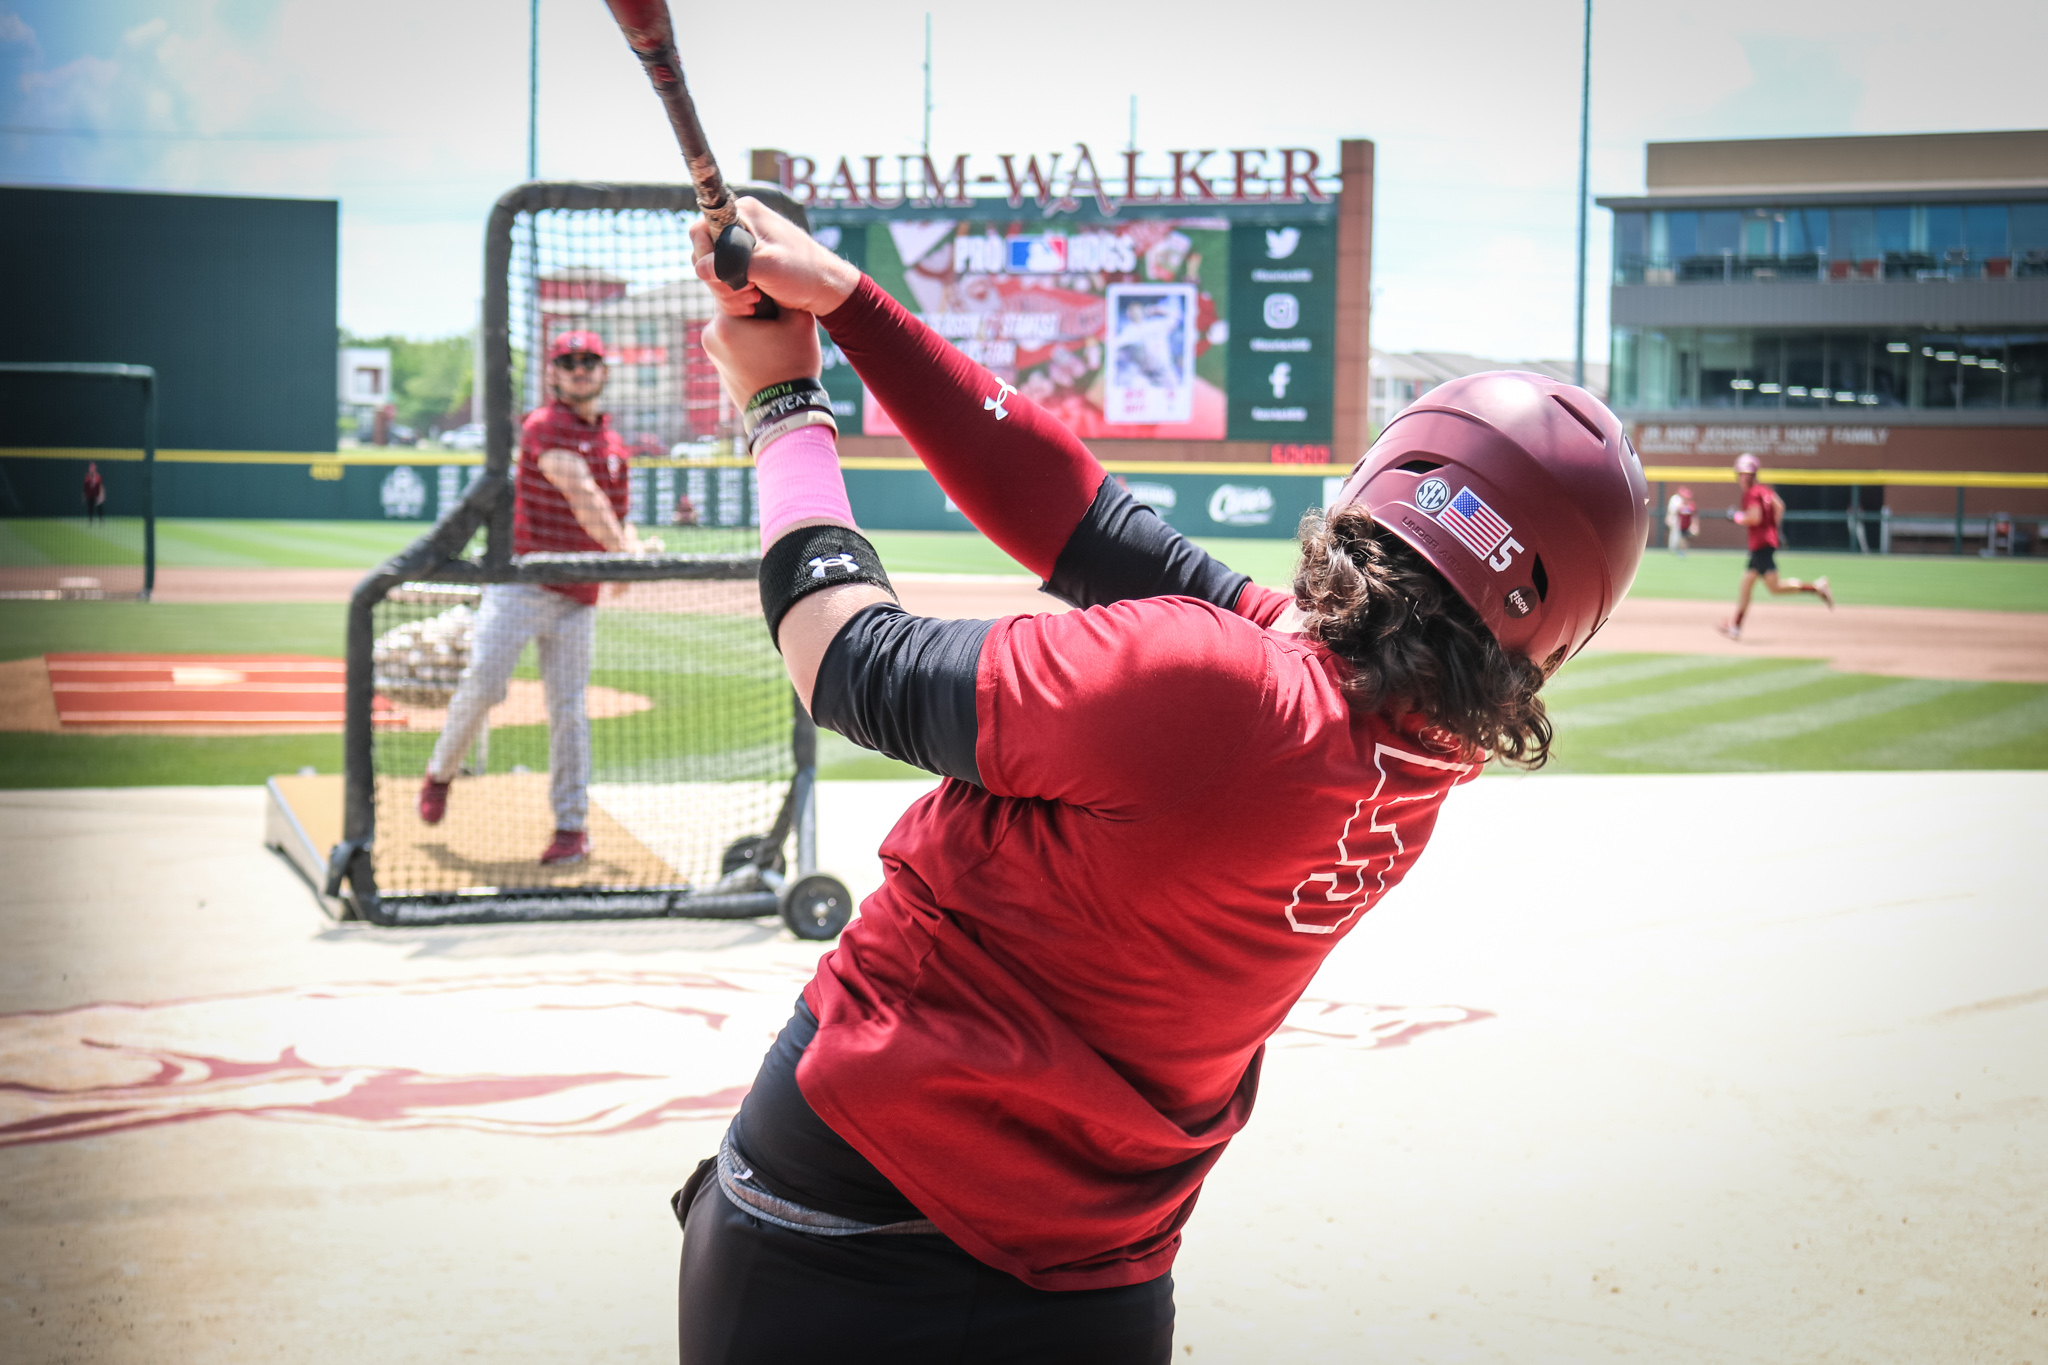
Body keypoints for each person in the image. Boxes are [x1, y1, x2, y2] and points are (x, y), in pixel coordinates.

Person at [669, 199, 1651, 1364]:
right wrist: (853, 303)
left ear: (1383, 479)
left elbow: (849, 663)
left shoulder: (1219, 688)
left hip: (845, 1220)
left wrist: (783, 401)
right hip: (1097, 1270)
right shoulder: (1422, 745)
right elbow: (1090, 523)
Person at [416, 329, 644, 865]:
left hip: (577, 597)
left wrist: (623, 555)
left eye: (590, 360)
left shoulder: (614, 443)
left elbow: (616, 512)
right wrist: (626, 553)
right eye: (570, 362)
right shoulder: (544, 426)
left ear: (603, 371)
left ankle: (571, 827)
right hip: (521, 586)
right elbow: (582, 495)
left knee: (569, 712)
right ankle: (440, 772)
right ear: (554, 374)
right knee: (483, 688)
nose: (581, 369)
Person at [1718, 453, 1833, 641]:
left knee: (1773, 588)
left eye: (1744, 473)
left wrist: (1737, 517)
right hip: (1765, 542)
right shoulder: (1764, 491)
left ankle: (1817, 588)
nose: (1741, 477)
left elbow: (1755, 517)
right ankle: (1736, 626)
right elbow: (1780, 506)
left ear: (1751, 475)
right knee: (1748, 585)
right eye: (1740, 473)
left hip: (1761, 544)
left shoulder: (1751, 493)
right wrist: (1774, 528)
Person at [1664, 483, 1695, 555]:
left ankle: (1675, 548)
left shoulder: (1679, 498)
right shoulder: (1676, 498)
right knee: (1674, 533)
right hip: (1674, 517)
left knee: (1676, 534)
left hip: (1677, 518)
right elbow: (1675, 509)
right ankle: (1672, 548)